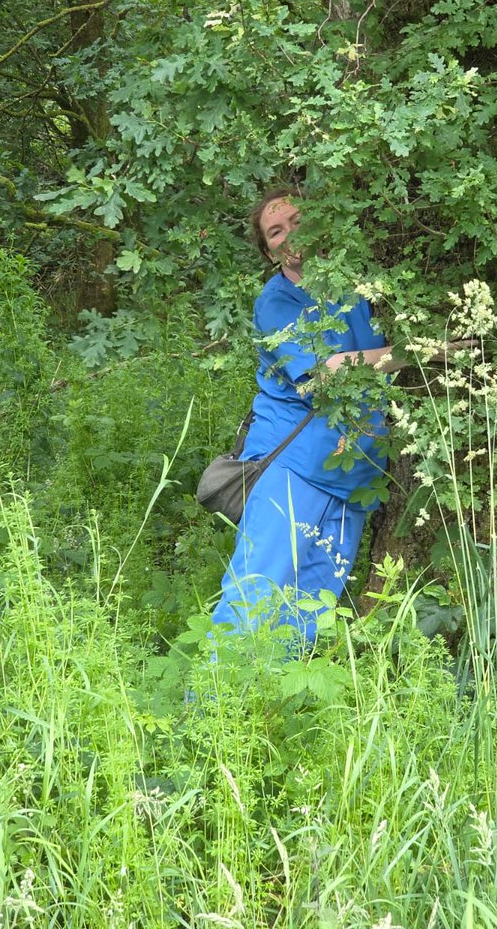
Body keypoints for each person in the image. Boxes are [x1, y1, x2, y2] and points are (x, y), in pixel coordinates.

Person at [210, 187, 402, 649]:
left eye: (297, 221)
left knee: (308, 610)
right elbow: (323, 376)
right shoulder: (276, 302)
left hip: (353, 475)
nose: (289, 235)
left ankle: (272, 709)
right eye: (275, 231)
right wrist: (410, 353)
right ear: (267, 250)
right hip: (293, 469)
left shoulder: (356, 287)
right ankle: (212, 708)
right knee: (254, 593)